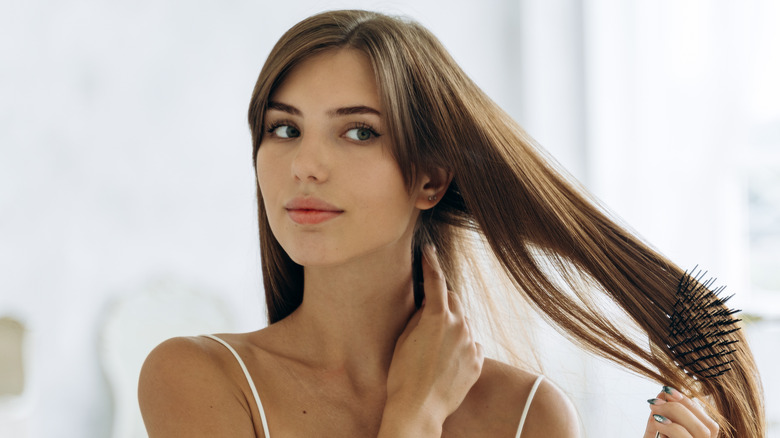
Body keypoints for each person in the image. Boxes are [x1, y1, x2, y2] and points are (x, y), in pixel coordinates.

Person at [138, 9, 764, 438]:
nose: (305, 165)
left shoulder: (529, 414)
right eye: (284, 128)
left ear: (430, 179)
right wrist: (414, 414)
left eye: (358, 132)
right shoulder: (199, 378)